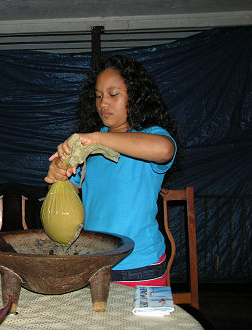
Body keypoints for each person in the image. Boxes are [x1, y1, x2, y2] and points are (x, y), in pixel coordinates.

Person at [45, 54, 179, 287]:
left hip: (140, 266)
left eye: (113, 94)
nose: (103, 103)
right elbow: (66, 192)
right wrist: (58, 173)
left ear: (135, 96)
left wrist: (98, 138)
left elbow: (165, 149)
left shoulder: (151, 137)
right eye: (98, 97)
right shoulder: (88, 149)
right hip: (93, 263)